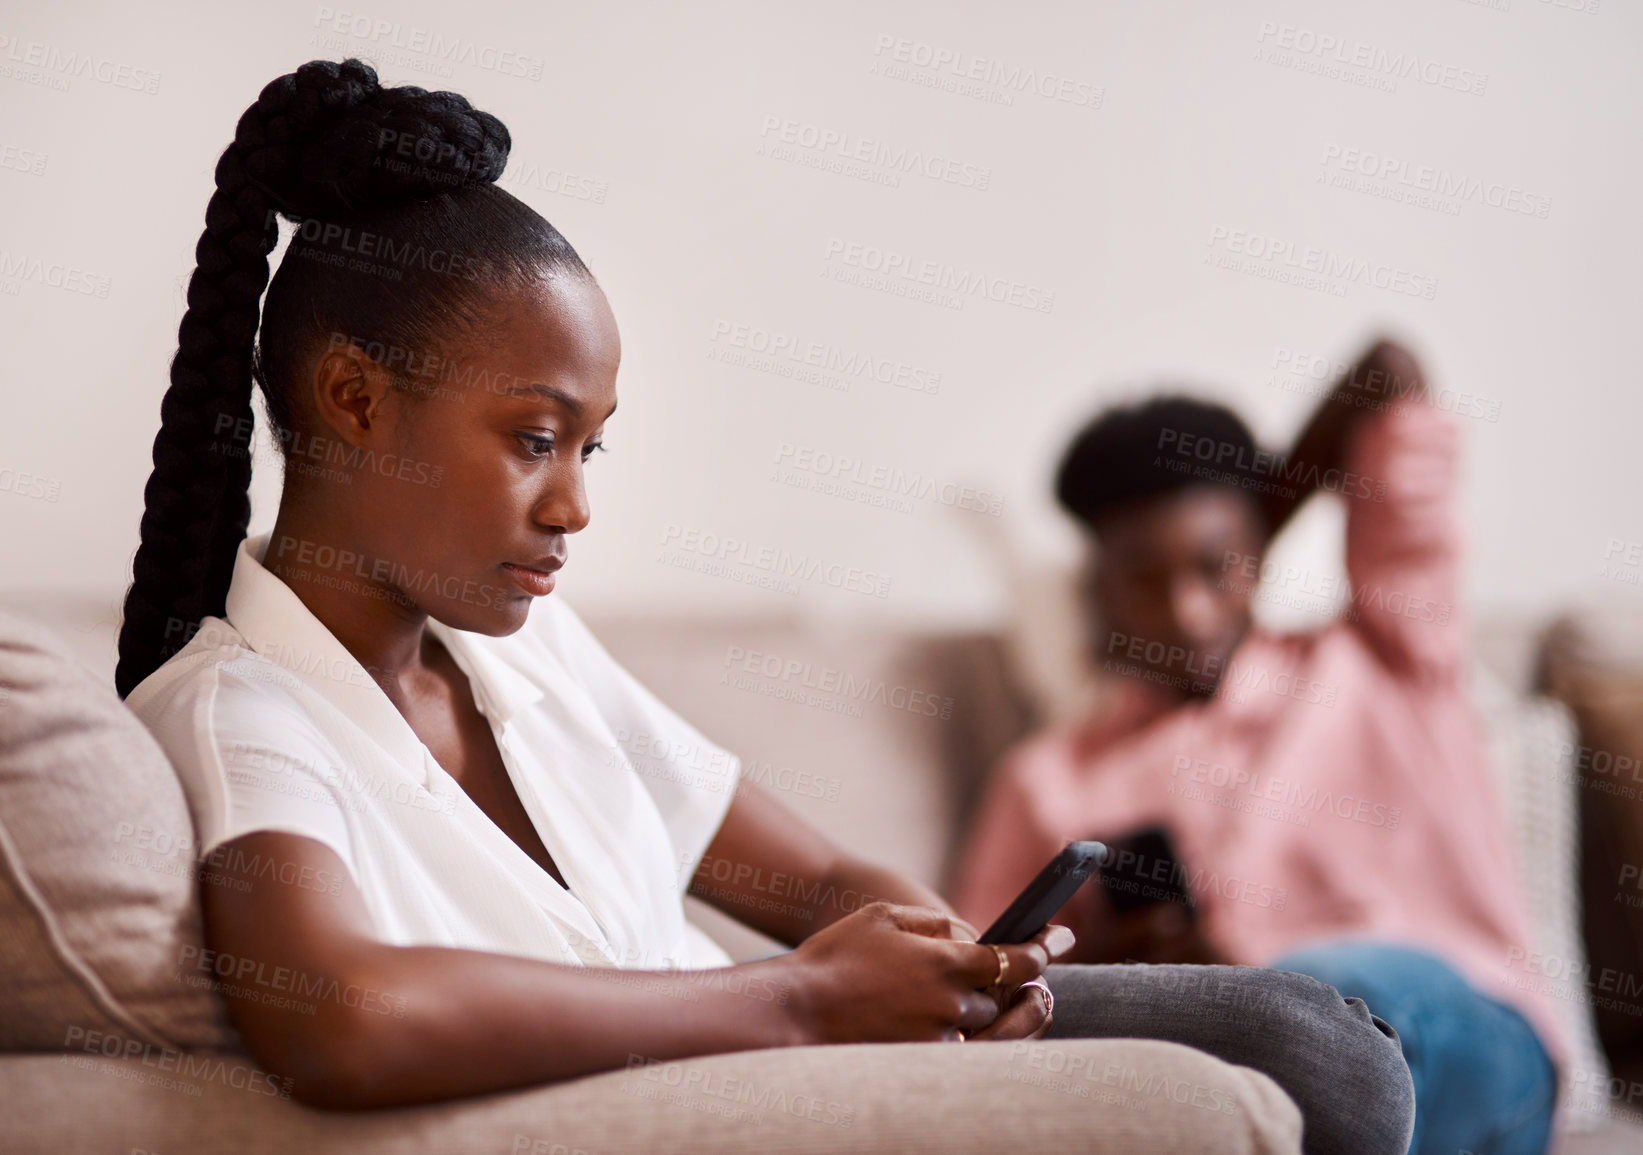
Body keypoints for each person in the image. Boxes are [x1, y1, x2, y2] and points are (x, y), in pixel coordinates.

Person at [116, 58, 1412, 1153]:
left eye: (589, 450)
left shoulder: (524, 653)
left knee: (1330, 1047)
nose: (570, 506)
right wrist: (797, 998)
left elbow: (816, 878)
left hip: (810, 1062)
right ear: (352, 400)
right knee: (1311, 1052)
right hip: (738, 1096)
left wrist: (954, 961)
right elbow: (346, 1011)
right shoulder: (246, 709)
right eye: (531, 438)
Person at [951, 339, 1561, 1154]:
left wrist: (1255, 512)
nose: (1190, 612)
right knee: (1236, 1041)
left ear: (1259, 551)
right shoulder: (1049, 779)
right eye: (1144, 573)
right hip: (1232, 1069)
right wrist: (1125, 964)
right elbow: (975, 988)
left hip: (1466, 1038)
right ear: (1094, 585)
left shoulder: (1385, 653)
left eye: (1214, 566)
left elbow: (1388, 368)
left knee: (1324, 1005)